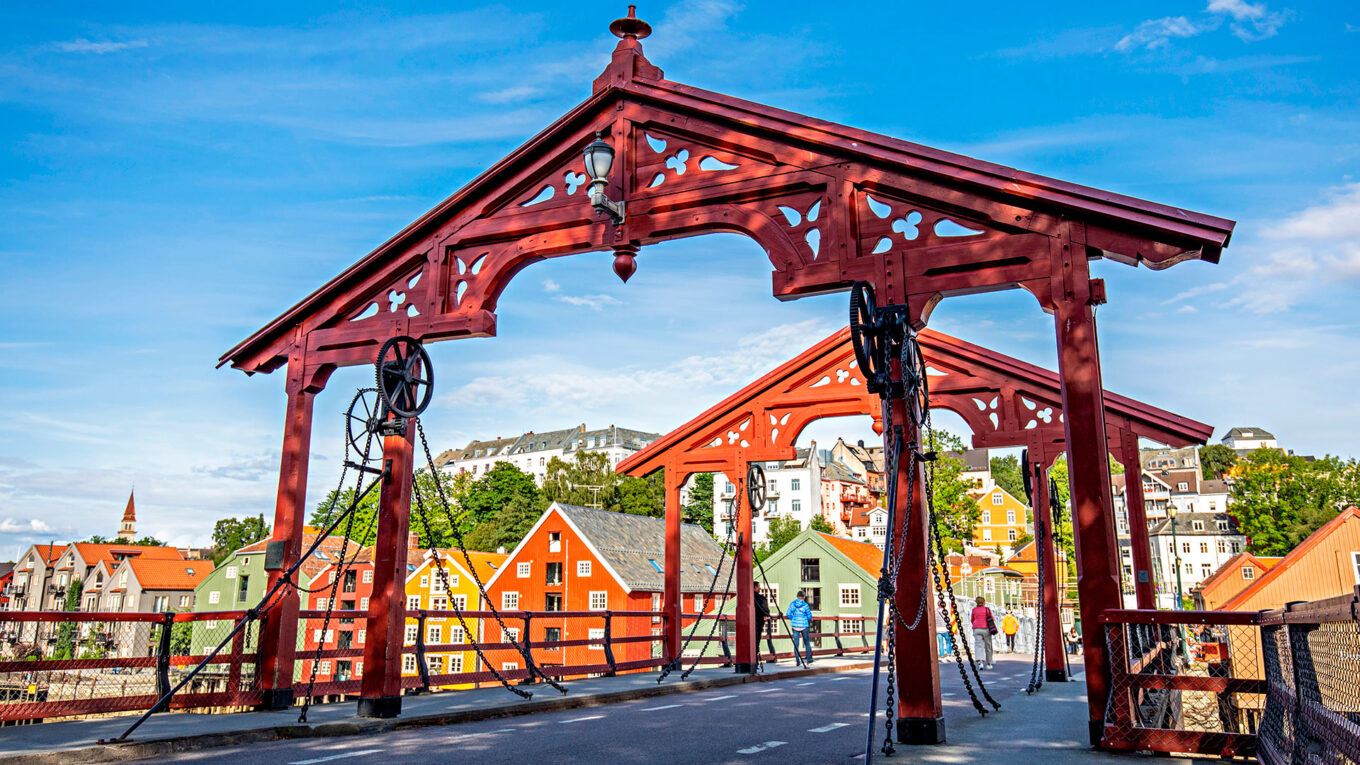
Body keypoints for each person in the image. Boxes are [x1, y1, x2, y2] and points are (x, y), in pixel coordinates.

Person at [787, 589, 813, 665]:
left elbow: (788, 613)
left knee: (796, 644)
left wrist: (793, 619)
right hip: (804, 626)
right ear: (803, 597)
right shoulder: (805, 605)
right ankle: (809, 660)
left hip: (795, 626)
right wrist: (805, 620)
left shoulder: (792, 604)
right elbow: (809, 616)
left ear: (797, 596)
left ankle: (798, 661)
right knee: (807, 643)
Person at [971, 595, 996, 669]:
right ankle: (989, 663)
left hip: (977, 629)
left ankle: (980, 663)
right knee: (988, 646)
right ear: (984, 602)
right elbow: (992, 619)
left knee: (979, 646)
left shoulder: (974, 610)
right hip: (986, 629)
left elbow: (972, 620)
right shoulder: (987, 609)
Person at [754, 582, 771, 661]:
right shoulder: (761, 598)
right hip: (759, 620)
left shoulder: (747, 597)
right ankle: (755, 659)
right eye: (758, 587)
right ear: (755, 587)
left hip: (749, 621)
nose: (760, 588)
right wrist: (767, 614)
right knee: (756, 639)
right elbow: (765, 609)